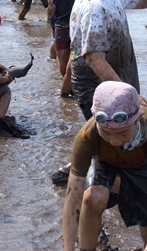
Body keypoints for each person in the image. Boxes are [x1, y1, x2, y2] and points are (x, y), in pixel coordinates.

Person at [51, 0, 142, 186]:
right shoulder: (94, 7)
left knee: (124, 139)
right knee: (117, 139)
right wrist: (129, 94)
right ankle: (88, 179)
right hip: (100, 87)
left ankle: (85, 166)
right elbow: (95, 60)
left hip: (119, 79)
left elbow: (138, 2)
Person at [63, 81, 147, 251]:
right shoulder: (88, 135)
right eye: (106, 133)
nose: (115, 141)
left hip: (143, 167)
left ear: (137, 120)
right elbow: (73, 198)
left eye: (123, 133)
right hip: (106, 162)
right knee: (92, 198)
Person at [48, 0, 74, 98]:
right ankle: (68, 92)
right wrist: (50, 3)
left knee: (73, 62)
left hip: (78, 20)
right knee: (63, 68)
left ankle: (69, 91)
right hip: (60, 21)